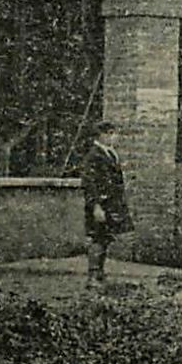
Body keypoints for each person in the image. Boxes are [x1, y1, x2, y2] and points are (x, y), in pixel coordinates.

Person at [80, 119, 131, 288]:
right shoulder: (94, 155)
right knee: (97, 238)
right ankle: (93, 275)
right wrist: (96, 206)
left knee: (105, 238)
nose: (115, 138)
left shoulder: (109, 153)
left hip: (111, 203)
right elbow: (89, 182)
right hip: (100, 204)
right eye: (111, 134)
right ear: (102, 135)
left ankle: (100, 274)